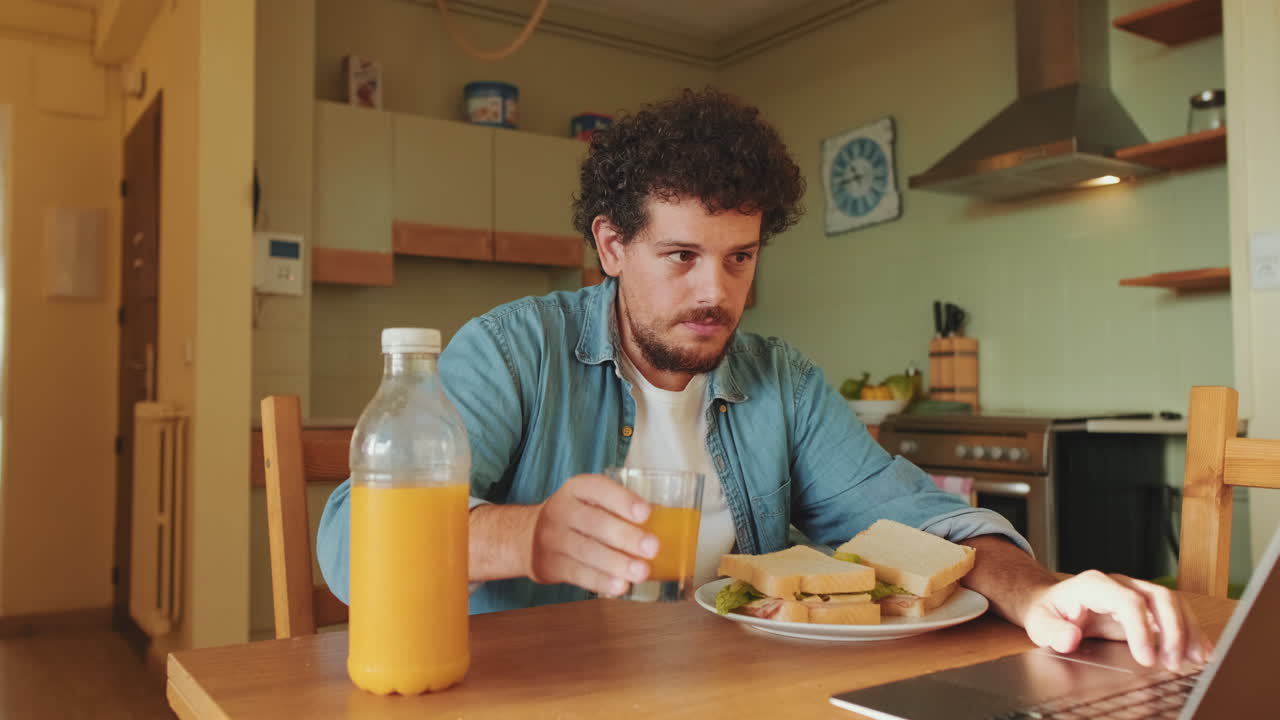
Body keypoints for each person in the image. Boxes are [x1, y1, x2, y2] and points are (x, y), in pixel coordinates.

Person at [318, 88, 1208, 672]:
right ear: (611, 246)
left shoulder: (778, 379)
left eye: (740, 257)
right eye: (681, 257)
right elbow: (349, 547)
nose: (717, 292)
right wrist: (523, 539)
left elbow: (915, 519)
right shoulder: (513, 352)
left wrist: (1040, 591)